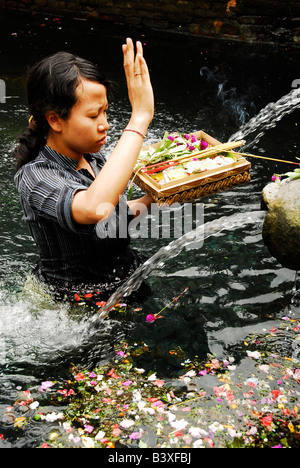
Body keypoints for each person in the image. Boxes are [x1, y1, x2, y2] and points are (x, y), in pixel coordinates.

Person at [14, 38, 155, 303]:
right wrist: (139, 118)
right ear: (54, 119)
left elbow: (112, 217)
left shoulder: (92, 157)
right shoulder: (35, 176)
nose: (105, 125)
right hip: (78, 306)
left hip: (125, 282)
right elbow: (94, 209)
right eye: (93, 116)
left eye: (105, 112)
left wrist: (161, 196)